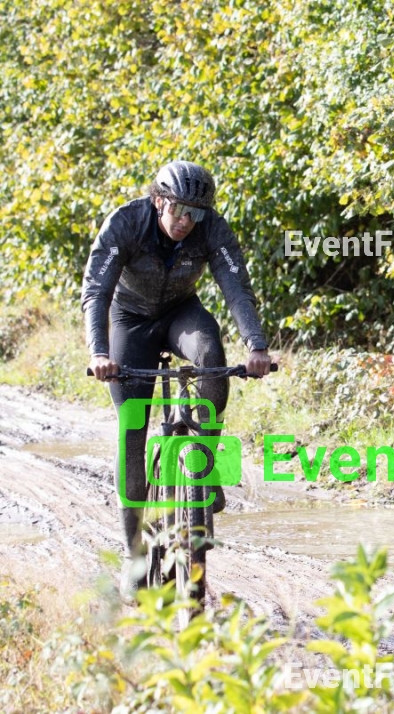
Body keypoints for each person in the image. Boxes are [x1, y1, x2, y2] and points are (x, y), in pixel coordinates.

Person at [81, 160, 272, 599]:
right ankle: (133, 554)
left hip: (181, 314)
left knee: (211, 356)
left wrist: (256, 345)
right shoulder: (126, 223)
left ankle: (203, 466)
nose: (186, 221)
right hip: (129, 320)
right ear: (158, 201)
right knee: (132, 429)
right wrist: (99, 353)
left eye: (196, 213)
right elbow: (96, 291)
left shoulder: (212, 229)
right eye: (179, 210)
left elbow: (236, 288)